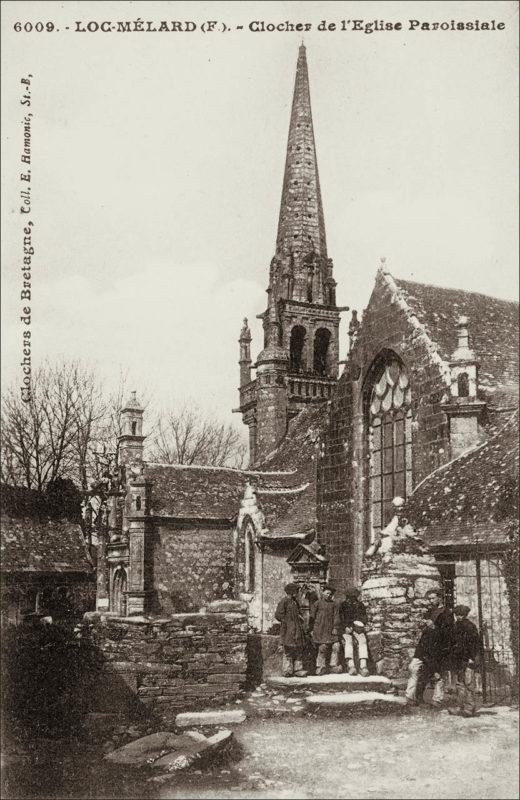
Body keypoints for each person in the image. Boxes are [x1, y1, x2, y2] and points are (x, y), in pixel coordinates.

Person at [448, 604, 481, 717]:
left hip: (466, 659)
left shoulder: (468, 627)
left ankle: (469, 708)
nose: (458, 616)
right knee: (461, 684)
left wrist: (472, 658)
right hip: (460, 659)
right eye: (457, 614)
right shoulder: (458, 626)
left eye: (460, 614)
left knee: (467, 683)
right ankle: (461, 707)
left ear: (464, 615)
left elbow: (474, 644)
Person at [405, 612, 443, 706]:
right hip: (422, 657)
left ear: (433, 621)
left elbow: (433, 651)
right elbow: (425, 650)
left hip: (429, 657)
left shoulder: (436, 632)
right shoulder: (427, 631)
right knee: (415, 673)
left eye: (428, 620)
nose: (426, 622)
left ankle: (436, 700)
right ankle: (411, 697)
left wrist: (434, 667)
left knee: (437, 677)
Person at [425, 588, 454, 705]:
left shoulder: (446, 612)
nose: (430, 601)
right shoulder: (430, 611)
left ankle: (438, 698)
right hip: (430, 644)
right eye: (429, 599)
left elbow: (448, 631)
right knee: (433, 671)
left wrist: (433, 627)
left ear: (440, 598)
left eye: (433, 598)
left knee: (439, 672)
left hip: (441, 646)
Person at [274, 583, 308, 678]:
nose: (297, 593)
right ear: (292, 592)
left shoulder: (295, 602)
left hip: (297, 628)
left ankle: (298, 669)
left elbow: (298, 613)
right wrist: (286, 620)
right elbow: (278, 615)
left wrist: (300, 618)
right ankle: (287, 670)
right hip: (288, 629)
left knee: (298, 649)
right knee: (288, 649)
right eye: (296, 591)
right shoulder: (284, 601)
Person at [309, 584, 342, 675]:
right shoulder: (317, 603)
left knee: (336, 646)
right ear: (323, 593)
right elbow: (312, 617)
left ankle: (333, 665)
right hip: (320, 629)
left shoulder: (334, 604)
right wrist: (311, 629)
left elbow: (336, 617)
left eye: (330, 594)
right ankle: (320, 666)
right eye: (327, 593)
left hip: (331, 630)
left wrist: (335, 628)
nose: (329, 595)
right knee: (322, 647)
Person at [341, 587, 370, 676]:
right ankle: (351, 666)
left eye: (354, 597)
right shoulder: (343, 605)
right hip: (347, 628)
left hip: (358, 628)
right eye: (350, 597)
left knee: (363, 641)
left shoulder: (360, 605)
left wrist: (361, 624)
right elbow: (341, 618)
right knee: (348, 642)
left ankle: (363, 666)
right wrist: (345, 627)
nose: (352, 599)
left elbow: (364, 618)